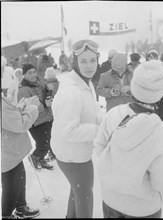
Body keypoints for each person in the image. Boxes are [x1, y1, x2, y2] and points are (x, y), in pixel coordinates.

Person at [94, 60, 163, 218]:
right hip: (143, 208)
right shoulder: (162, 133)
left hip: (111, 200)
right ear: (159, 94)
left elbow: (99, 149)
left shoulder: (114, 114)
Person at [51, 39, 103, 218]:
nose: (89, 66)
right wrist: (99, 130)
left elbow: (94, 111)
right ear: (76, 62)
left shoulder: (85, 83)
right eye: (83, 61)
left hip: (75, 152)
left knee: (78, 190)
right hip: (72, 155)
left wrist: (108, 120)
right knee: (84, 196)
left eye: (92, 60)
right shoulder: (72, 92)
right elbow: (68, 130)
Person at [1, 56, 41, 219]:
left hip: (10, 149)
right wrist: (32, 108)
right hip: (8, 150)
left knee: (18, 178)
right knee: (12, 183)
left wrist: (21, 106)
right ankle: (7, 214)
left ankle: (20, 207)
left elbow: (8, 116)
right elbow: (19, 124)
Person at [17, 63, 54, 171]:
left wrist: (49, 91)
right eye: (29, 73)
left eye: (34, 72)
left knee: (48, 141)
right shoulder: (23, 90)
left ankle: (41, 159)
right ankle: (34, 157)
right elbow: (26, 109)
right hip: (36, 122)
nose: (33, 75)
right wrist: (44, 105)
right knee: (43, 144)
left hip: (47, 117)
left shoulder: (39, 81)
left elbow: (45, 92)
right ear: (24, 75)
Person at [43, 66, 60, 162]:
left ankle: (53, 152)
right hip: (60, 111)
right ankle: (59, 150)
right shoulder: (59, 84)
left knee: (51, 134)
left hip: (50, 113)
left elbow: (46, 101)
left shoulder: (46, 86)